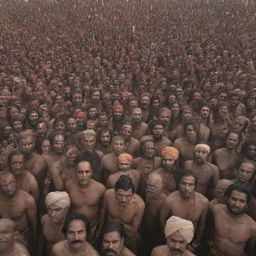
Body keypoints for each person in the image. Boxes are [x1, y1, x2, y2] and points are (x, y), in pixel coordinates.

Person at [160, 170, 208, 250]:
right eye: (184, 184)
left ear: (195, 186)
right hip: (173, 242)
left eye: (190, 185)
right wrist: (167, 241)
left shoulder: (203, 202)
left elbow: (201, 225)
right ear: (178, 184)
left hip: (190, 243)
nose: (186, 188)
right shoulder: (170, 201)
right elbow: (162, 221)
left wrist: (195, 244)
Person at [65, 159, 106, 245]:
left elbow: (103, 210)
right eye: (80, 172)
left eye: (87, 172)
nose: (84, 175)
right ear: (76, 173)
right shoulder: (69, 186)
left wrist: (99, 229)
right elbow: (66, 208)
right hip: (74, 228)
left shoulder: (100, 188)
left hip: (93, 228)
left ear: (92, 173)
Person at [100, 175, 145, 253]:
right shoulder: (108, 195)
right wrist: (99, 232)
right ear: (115, 192)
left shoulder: (139, 205)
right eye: (120, 195)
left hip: (127, 237)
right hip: (108, 234)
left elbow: (134, 231)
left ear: (133, 194)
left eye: (127, 196)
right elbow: (103, 213)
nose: (123, 199)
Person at [209, 184, 256, 256]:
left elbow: (250, 250)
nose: (237, 204)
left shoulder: (252, 227)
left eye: (242, 201)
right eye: (234, 199)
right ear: (227, 198)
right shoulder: (217, 209)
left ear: (247, 204)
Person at [0, 172, 37, 252]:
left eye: (12, 183)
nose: (9, 188)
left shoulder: (27, 199)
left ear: (16, 183)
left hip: (23, 234)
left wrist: (34, 240)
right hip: (3, 237)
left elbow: (34, 223)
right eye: (5, 186)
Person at [141, 172, 167, 256]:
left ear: (161, 187)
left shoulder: (165, 201)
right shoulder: (148, 194)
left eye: (152, 186)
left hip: (157, 235)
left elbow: (162, 223)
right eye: (148, 185)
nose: (149, 188)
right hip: (145, 231)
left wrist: (162, 238)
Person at [39, 191, 71, 256]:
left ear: (67, 209)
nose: (53, 214)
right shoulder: (45, 220)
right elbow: (43, 241)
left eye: (57, 210)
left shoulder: (72, 227)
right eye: (49, 210)